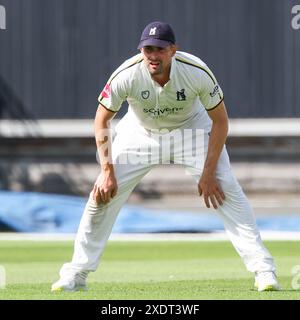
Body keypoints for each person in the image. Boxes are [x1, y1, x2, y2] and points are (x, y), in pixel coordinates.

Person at [51, 21, 280, 292]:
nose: (152, 55)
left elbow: (220, 122)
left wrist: (208, 174)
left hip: (191, 131)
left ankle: (264, 271)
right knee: (101, 196)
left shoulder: (196, 72)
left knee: (227, 191)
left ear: (173, 50)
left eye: (159, 49)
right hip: (141, 133)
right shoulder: (127, 74)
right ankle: (76, 275)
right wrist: (107, 172)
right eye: (147, 49)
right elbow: (102, 119)